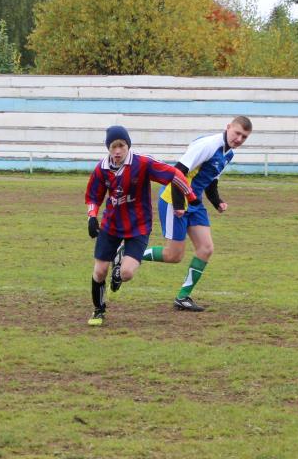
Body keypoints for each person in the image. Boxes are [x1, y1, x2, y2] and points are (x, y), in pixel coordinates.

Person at [84, 125, 194, 326]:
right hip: (111, 225)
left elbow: (173, 174)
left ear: (128, 146)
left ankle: (118, 269)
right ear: (108, 148)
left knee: (126, 274)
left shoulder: (142, 163)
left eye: (122, 146)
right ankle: (99, 310)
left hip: (138, 227)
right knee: (99, 271)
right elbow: (93, 196)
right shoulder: (102, 169)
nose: (117, 151)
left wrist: (191, 196)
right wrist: (92, 217)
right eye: (113, 147)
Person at [140, 116, 252, 312]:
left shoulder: (228, 153)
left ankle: (183, 297)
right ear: (228, 128)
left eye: (244, 137)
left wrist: (217, 202)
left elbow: (211, 181)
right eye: (237, 133)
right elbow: (177, 173)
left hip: (194, 201)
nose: (239, 139)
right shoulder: (208, 145)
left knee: (206, 248)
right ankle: (130, 254)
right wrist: (178, 204)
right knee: (173, 255)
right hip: (174, 198)